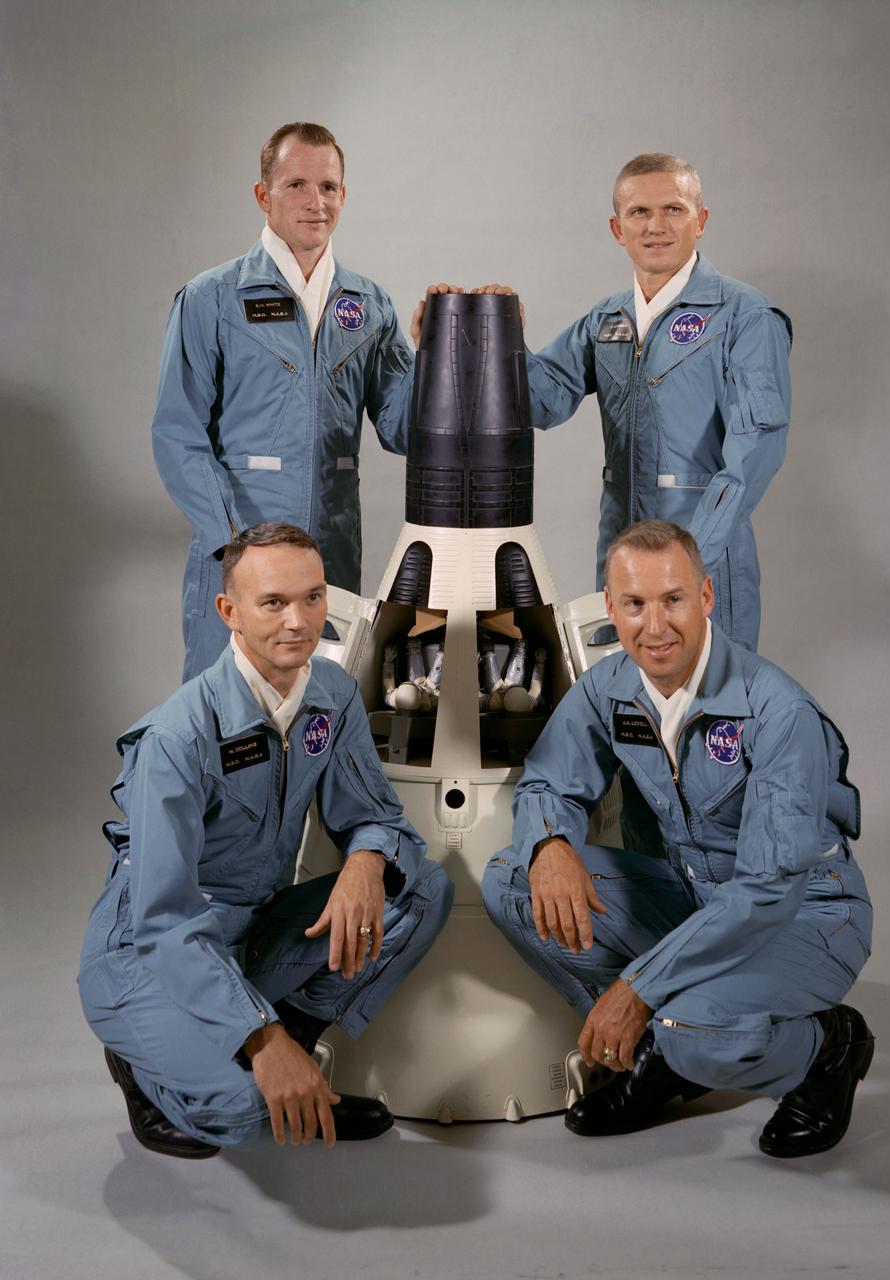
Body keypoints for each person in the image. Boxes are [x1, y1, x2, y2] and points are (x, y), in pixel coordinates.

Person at [481, 520, 873, 1158]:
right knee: (510, 879)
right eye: (634, 604)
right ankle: (655, 1049)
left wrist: (638, 987)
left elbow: (769, 891)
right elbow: (548, 783)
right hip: (698, 902)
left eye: (674, 599)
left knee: (693, 1029)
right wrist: (550, 845)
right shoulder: (610, 688)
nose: (655, 626)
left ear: (707, 597)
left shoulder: (776, 711)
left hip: (805, 916)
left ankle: (826, 1046)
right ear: (611, 607)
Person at [79, 524, 452, 1157]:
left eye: (312, 598)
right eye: (273, 602)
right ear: (229, 612)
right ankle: (141, 1066)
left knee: (419, 889)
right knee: (253, 1116)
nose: (298, 621)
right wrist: (260, 1039)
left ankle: (295, 1052)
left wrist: (366, 858)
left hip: (251, 932)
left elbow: (378, 817)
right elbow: (164, 920)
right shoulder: (176, 739)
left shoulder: (330, 696)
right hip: (152, 956)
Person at [413, 154, 792, 652]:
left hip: (704, 557)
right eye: (639, 213)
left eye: (673, 210)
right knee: (625, 706)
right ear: (618, 228)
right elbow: (543, 401)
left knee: (708, 706)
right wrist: (498, 338)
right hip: (623, 558)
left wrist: (691, 555)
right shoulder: (606, 321)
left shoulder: (744, 316)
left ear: (700, 221)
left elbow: (756, 449)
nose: (656, 226)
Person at [153, 122, 414, 681]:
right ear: (263, 194)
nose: (315, 202)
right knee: (228, 726)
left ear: (343, 195)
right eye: (296, 185)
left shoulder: (369, 306)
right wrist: (236, 547)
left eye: (328, 187)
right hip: (243, 559)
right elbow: (177, 437)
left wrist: (438, 359)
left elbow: (402, 430)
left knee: (323, 721)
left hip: (332, 563)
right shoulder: (212, 298)